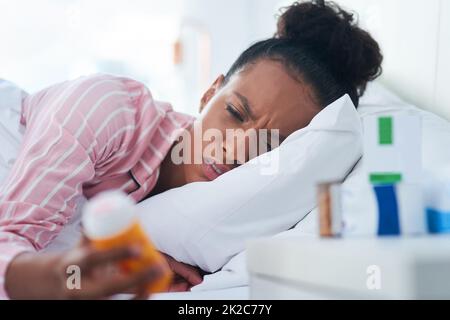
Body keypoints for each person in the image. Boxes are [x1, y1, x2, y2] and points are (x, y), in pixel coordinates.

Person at [1, 0, 382, 299]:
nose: (236, 150)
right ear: (208, 93)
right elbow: (9, 240)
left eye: (272, 146)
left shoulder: (225, 222)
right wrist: (77, 276)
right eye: (234, 113)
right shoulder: (107, 110)